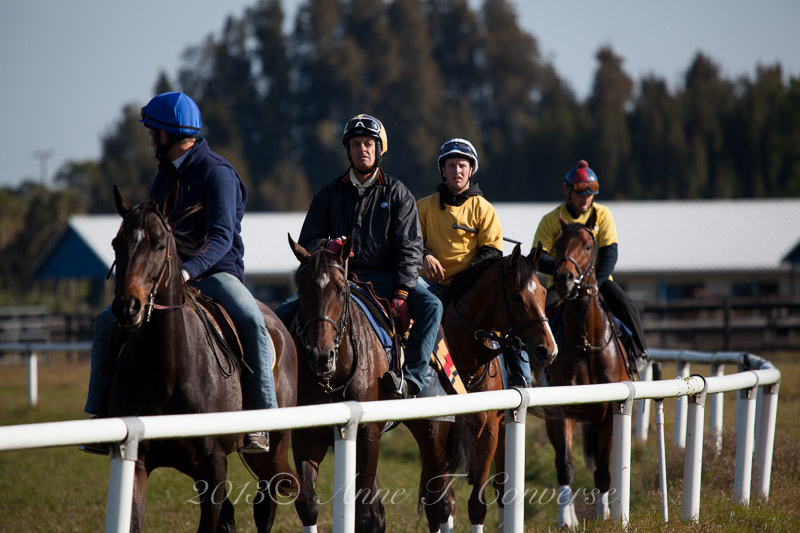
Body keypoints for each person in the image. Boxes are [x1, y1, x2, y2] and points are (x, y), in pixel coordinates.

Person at [84, 92, 276, 453]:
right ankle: (102, 414)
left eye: (151, 133)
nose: (149, 140)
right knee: (106, 322)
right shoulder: (164, 175)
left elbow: (221, 237)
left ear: (166, 135)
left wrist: (188, 271)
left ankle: (263, 419)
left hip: (216, 274)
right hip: (166, 276)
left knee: (252, 321)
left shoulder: (218, 173)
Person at [277, 114, 443, 399]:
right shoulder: (328, 194)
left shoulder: (398, 193)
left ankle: (412, 379)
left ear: (379, 149)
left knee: (432, 305)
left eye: (368, 144)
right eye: (356, 144)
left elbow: (410, 247)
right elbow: (307, 244)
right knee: (278, 316)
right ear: (348, 150)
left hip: (388, 279)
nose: (362, 149)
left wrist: (402, 292)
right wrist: (328, 245)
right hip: (338, 279)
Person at [416, 138, 532, 387]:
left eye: (462, 165)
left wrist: (464, 280)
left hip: (471, 287)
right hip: (431, 285)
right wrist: (425, 256)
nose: (457, 170)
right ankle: (407, 370)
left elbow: (491, 253)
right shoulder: (423, 207)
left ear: (471, 170)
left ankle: (522, 376)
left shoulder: (484, 208)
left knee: (507, 311)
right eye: (451, 165)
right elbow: (410, 244)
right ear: (443, 170)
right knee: (403, 302)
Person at [532, 160, 649, 376]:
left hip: (598, 282)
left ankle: (639, 352)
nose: (586, 199)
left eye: (590, 194)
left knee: (624, 303)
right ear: (567, 190)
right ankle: (534, 362)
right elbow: (538, 257)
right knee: (538, 313)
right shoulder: (550, 220)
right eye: (580, 193)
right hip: (561, 284)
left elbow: (609, 256)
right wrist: (565, 271)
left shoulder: (603, 215)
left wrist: (594, 283)